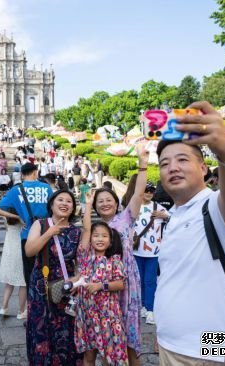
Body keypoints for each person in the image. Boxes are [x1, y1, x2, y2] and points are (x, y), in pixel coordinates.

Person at [154, 101, 225, 365]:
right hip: (170, 346)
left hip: (207, 354)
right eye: (164, 164)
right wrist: (163, 330)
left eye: (182, 160)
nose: (172, 168)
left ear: (204, 168)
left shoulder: (214, 206)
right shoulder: (174, 215)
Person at [85, 143, 149, 366]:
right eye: (100, 201)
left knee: (129, 337)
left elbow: (139, 192)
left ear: (116, 202)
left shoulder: (126, 218)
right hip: (104, 285)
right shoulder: (95, 229)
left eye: (108, 199)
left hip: (127, 281)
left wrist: (142, 165)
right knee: (107, 335)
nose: (104, 203)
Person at [24, 189, 83, 365]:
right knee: (42, 328)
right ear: (51, 204)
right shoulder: (40, 225)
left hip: (65, 288)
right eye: (60, 200)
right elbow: (29, 251)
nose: (65, 204)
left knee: (66, 329)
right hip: (41, 287)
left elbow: (80, 264)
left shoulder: (76, 232)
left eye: (69, 201)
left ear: (73, 208)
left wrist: (74, 281)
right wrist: (50, 232)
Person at [75, 220, 128, 365]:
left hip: (108, 316)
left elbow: (120, 284)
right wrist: (88, 203)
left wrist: (100, 286)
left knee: (110, 356)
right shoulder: (85, 258)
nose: (99, 239)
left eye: (104, 236)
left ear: (110, 242)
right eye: (96, 235)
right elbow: (86, 229)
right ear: (90, 239)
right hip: (87, 316)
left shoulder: (115, 260)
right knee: (89, 355)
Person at [0, 162, 53, 287]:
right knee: (48, 269)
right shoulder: (46, 187)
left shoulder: (16, 190)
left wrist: (17, 217)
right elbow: (53, 208)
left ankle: (31, 301)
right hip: (46, 233)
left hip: (27, 235)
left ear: (22, 174)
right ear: (35, 172)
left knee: (29, 272)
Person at [132, 181, 168, 325]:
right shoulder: (134, 207)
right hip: (136, 250)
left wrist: (163, 216)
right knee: (138, 280)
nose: (148, 193)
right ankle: (142, 305)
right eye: (146, 189)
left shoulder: (158, 208)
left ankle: (150, 309)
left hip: (154, 252)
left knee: (150, 281)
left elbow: (173, 218)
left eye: (151, 190)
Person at [0, 207, 27, 319]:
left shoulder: (7, 217)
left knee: (9, 282)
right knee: (23, 282)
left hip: (8, 251)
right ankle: (21, 311)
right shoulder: (22, 219)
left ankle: (3, 307)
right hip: (20, 250)